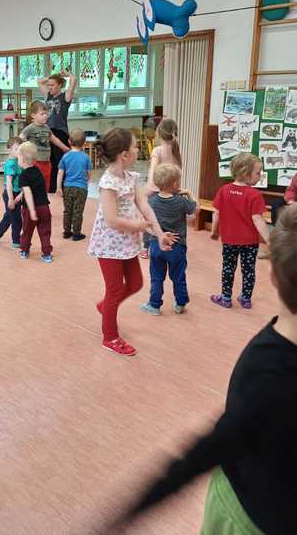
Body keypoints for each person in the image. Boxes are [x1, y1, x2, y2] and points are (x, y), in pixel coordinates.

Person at [102, 205, 297, 535]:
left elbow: (214, 446)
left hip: (248, 516)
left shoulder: (265, 368)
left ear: (273, 276)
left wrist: (133, 509)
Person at [88, 128, 177, 356]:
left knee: (136, 283)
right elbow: (111, 220)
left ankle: (105, 306)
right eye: (135, 146)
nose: (138, 149)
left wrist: (159, 234)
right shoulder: (108, 183)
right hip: (109, 245)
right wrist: (137, 226)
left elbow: (145, 207)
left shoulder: (131, 178)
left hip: (126, 242)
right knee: (114, 290)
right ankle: (110, 336)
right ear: (124, 154)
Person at [210, 153, 269, 309]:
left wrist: (214, 231)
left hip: (229, 240)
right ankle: (245, 299)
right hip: (250, 243)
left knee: (228, 268)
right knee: (249, 270)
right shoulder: (255, 195)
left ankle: (225, 298)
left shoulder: (224, 190)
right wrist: (269, 240)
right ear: (245, 173)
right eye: (258, 172)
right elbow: (258, 220)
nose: (260, 175)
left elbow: (216, 213)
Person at [139, 163, 198, 316]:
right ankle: (180, 303)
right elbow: (195, 209)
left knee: (156, 277)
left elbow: (146, 221)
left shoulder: (151, 201)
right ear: (176, 184)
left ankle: (154, 305)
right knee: (178, 276)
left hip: (156, 244)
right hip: (177, 246)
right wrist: (189, 193)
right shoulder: (181, 201)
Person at [140, 118, 182, 259]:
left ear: (158, 133)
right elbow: (177, 173)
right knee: (167, 219)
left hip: (157, 191)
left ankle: (146, 248)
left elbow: (152, 172)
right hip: (172, 191)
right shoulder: (176, 151)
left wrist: (147, 191)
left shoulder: (157, 150)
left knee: (149, 218)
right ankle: (171, 242)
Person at [38, 71, 77, 192]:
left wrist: (67, 75)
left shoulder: (65, 97)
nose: (49, 87)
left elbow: (73, 81)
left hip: (60, 132)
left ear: (60, 85)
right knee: (51, 161)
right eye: (48, 85)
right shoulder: (48, 96)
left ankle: (63, 187)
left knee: (61, 161)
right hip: (48, 131)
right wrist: (51, 77)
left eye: (52, 85)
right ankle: (52, 187)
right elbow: (40, 81)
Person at [20, 101, 69, 191]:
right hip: (35, 162)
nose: (45, 116)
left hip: (47, 162)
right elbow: (19, 140)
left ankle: (43, 198)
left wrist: (65, 148)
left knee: (45, 185)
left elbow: (54, 139)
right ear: (33, 115)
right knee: (35, 185)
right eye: (42, 114)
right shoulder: (30, 128)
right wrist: (18, 155)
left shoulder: (46, 127)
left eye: (46, 114)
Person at [17, 141, 53, 263]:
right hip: (44, 207)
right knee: (45, 231)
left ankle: (24, 250)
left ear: (22, 159)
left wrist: (32, 211)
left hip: (30, 209)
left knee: (27, 230)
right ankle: (47, 253)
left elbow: (28, 193)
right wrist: (19, 196)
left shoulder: (23, 176)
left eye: (18, 157)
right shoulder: (38, 171)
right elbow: (34, 188)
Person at [56, 128, 91, 241]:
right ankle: (76, 233)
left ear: (69, 142)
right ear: (84, 143)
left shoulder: (65, 156)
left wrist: (58, 187)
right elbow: (88, 173)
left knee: (67, 210)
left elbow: (60, 173)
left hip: (67, 187)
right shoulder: (86, 157)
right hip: (81, 188)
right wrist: (86, 181)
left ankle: (67, 232)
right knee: (78, 211)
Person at [0, 137, 23, 248]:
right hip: (10, 194)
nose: (19, 151)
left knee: (9, 216)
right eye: (16, 149)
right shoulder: (11, 164)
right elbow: (9, 183)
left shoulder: (19, 161)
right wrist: (11, 199)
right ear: (9, 149)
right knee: (16, 219)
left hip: (17, 193)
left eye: (21, 149)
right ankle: (16, 242)